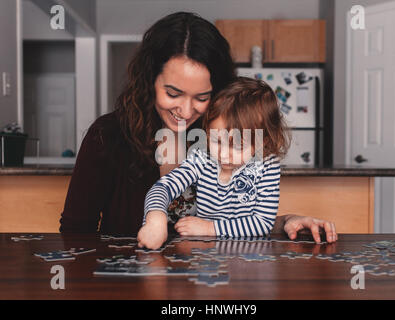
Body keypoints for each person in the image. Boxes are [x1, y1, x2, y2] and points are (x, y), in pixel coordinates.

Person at [59, 11, 337, 244]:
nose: (186, 110)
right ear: (149, 81)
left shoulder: (226, 137)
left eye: (202, 98)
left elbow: (234, 220)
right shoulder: (107, 135)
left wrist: (287, 222)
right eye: (172, 93)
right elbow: (75, 235)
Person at [138, 77, 289, 249]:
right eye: (216, 140)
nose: (224, 154)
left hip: (249, 260)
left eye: (237, 146)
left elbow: (262, 223)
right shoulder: (202, 157)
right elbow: (163, 187)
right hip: (207, 258)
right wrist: (155, 218)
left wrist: (210, 228)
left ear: (263, 142)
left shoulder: (267, 166)